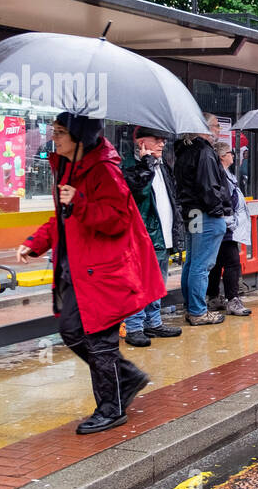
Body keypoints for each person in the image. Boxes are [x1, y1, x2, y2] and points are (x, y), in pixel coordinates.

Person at [17, 113, 164, 434]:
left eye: (59, 132)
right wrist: (35, 243)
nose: (53, 138)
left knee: (99, 341)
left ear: (79, 137)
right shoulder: (68, 167)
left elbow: (117, 219)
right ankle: (126, 377)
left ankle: (111, 409)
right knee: (72, 331)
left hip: (106, 271)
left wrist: (81, 200)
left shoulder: (104, 170)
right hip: (78, 269)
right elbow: (61, 219)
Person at [121, 127, 184, 348]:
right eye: (156, 140)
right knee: (138, 283)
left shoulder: (162, 165)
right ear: (140, 142)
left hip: (162, 235)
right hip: (142, 238)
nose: (162, 144)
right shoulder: (130, 165)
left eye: (164, 140)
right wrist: (144, 166)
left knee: (158, 282)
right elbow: (137, 192)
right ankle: (135, 327)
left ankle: (153, 322)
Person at [173, 112, 232, 325]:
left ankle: (192, 307)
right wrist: (219, 211)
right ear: (202, 128)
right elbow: (209, 187)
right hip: (206, 213)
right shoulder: (205, 152)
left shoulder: (184, 151)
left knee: (192, 262)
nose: (218, 130)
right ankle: (198, 311)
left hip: (191, 212)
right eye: (215, 126)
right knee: (202, 264)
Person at [207, 142, 252, 317]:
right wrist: (229, 219)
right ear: (222, 156)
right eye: (230, 152)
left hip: (226, 224)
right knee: (232, 262)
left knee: (217, 262)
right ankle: (232, 298)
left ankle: (213, 296)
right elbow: (226, 199)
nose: (233, 155)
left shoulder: (226, 174)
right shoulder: (222, 176)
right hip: (226, 225)